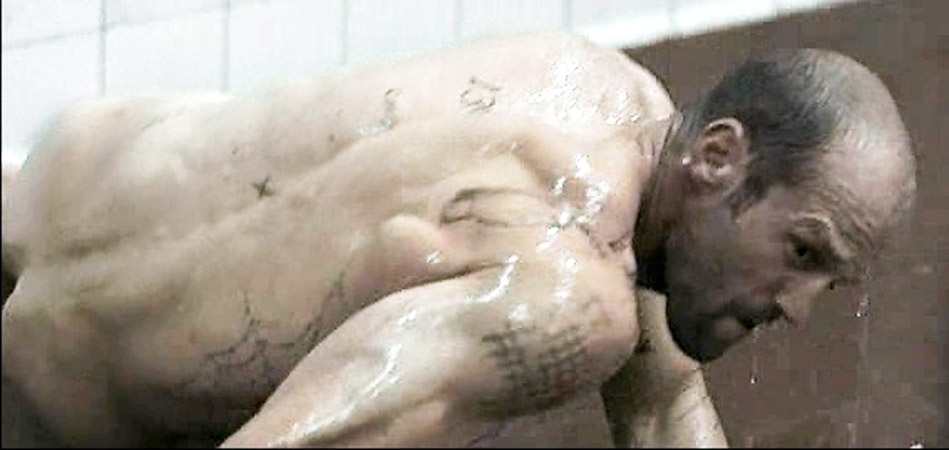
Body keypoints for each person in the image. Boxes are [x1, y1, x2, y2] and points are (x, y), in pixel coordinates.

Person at [0, 31, 915, 448]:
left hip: (54, 176)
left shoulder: (597, 85)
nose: (800, 310)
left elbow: (659, 397)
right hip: (48, 392)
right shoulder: (568, 301)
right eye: (802, 254)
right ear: (717, 157)